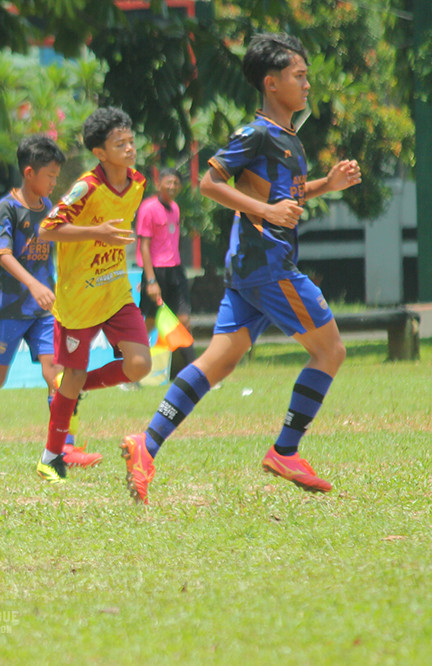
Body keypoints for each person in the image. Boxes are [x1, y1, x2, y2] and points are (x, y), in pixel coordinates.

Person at [121, 32, 362, 504]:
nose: (307, 85)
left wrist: (324, 186)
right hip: (269, 268)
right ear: (271, 84)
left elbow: (278, 197)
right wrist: (269, 214)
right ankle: (285, 450)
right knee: (331, 351)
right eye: (299, 76)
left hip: (249, 269)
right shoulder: (256, 134)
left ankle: (144, 446)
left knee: (219, 361)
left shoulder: (288, 138)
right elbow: (211, 183)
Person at [0, 136, 101, 471]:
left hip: (43, 310)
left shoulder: (48, 209)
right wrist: (32, 284)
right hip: (9, 308)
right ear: (30, 173)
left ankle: (64, 447)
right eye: (50, 176)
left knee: (55, 371)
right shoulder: (8, 208)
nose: (54, 182)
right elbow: (1, 253)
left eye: (57, 177)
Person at [33, 106, 152, 483]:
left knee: (140, 365)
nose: (130, 149)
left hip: (115, 291)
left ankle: (79, 383)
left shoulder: (137, 183)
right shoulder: (87, 187)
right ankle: (50, 457)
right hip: (78, 299)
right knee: (71, 375)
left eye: (131, 141)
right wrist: (94, 233)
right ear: (100, 152)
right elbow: (47, 230)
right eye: (120, 144)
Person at [135, 166, 196, 369]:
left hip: (175, 270)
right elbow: (144, 245)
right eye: (168, 182)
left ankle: (192, 374)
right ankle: (131, 368)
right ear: (158, 184)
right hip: (156, 271)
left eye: (176, 183)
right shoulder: (148, 208)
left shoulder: (175, 208)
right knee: (150, 323)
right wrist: (150, 280)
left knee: (184, 319)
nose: (172, 186)